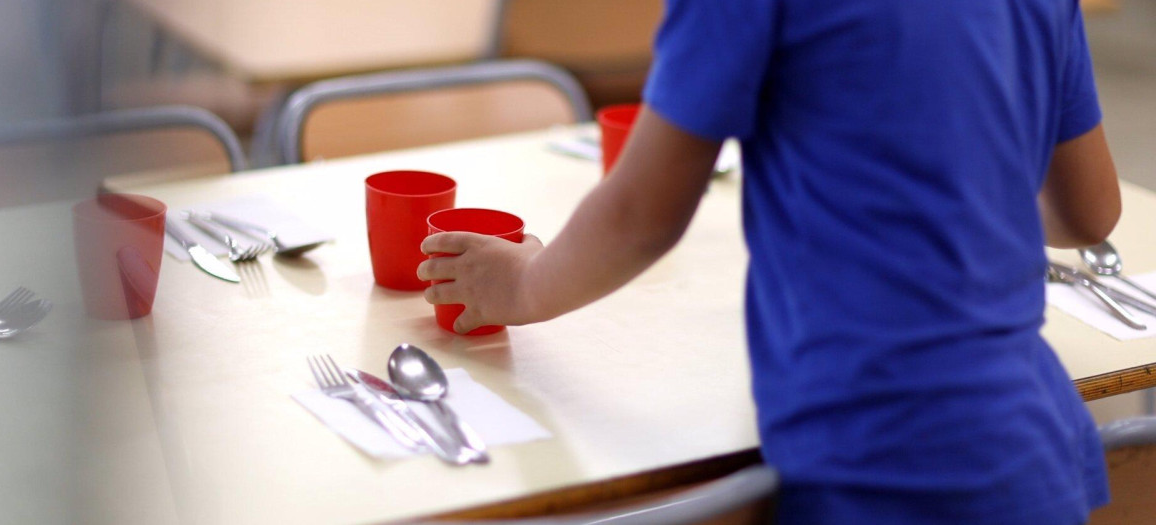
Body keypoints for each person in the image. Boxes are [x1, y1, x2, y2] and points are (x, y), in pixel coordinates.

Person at [417, 1, 1120, 523]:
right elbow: (1090, 212)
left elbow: (642, 215)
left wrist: (522, 286)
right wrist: (958, 198)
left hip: (886, 455)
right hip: (1035, 444)